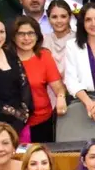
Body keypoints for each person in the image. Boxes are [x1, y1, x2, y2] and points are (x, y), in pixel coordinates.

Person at [11, 16, 67, 144]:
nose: (26, 38)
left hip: (42, 122)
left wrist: (61, 97)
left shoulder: (44, 56)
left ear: (37, 36)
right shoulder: (6, 59)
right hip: (13, 124)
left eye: (31, 33)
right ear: (14, 37)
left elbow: (58, 87)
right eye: (21, 34)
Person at [42, 0, 75, 76]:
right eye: (54, 17)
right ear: (48, 19)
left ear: (69, 18)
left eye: (63, 16)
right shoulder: (43, 41)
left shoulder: (78, 40)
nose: (59, 21)